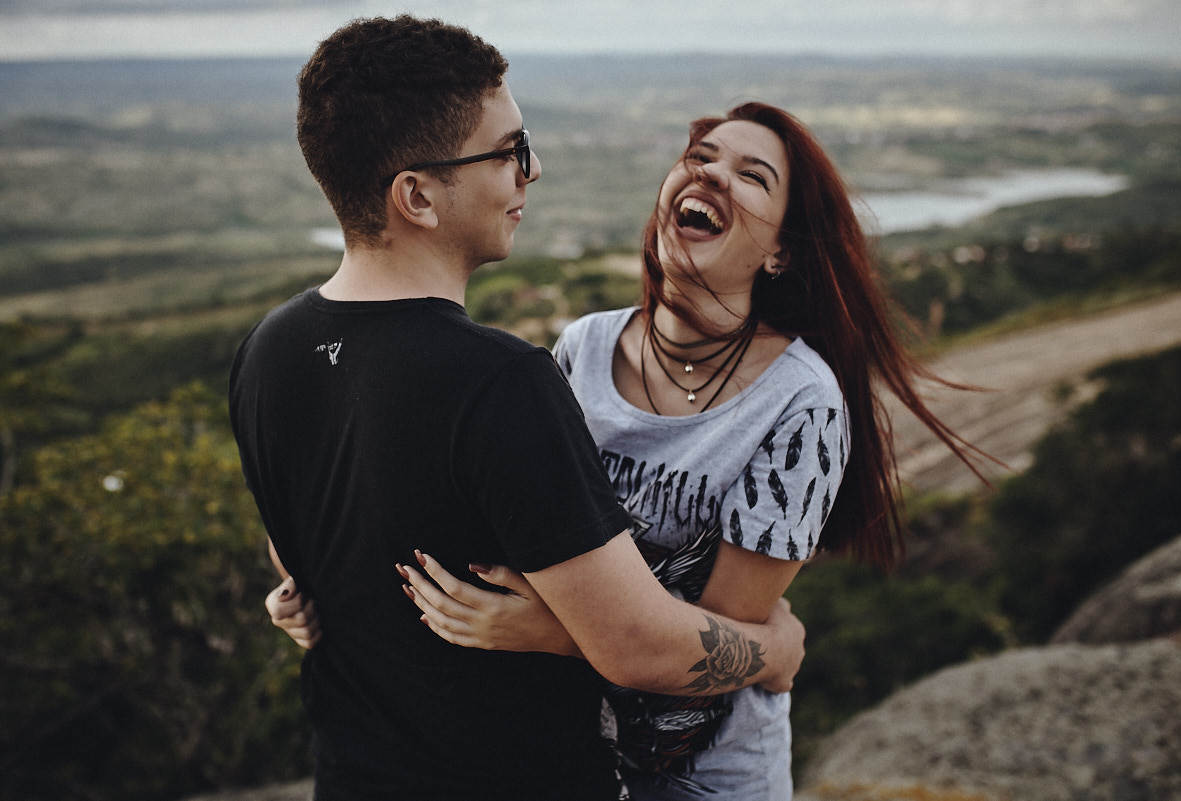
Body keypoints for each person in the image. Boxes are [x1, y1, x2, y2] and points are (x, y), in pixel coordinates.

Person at [270, 100, 987, 799]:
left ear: (781, 251)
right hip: (564, 754)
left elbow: (704, 647)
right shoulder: (582, 348)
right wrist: (321, 587)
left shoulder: (799, 402)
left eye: (751, 176)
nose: (711, 174)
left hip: (700, 774)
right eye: (700, 157)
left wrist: (552, 630)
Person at [234, 16, 808, 801]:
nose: (530, 173)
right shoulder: (500, 382)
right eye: (508, 153)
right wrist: (773, 650)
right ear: (417, 197)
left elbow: (299, 551)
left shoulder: (267, 350)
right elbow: (637, 645)